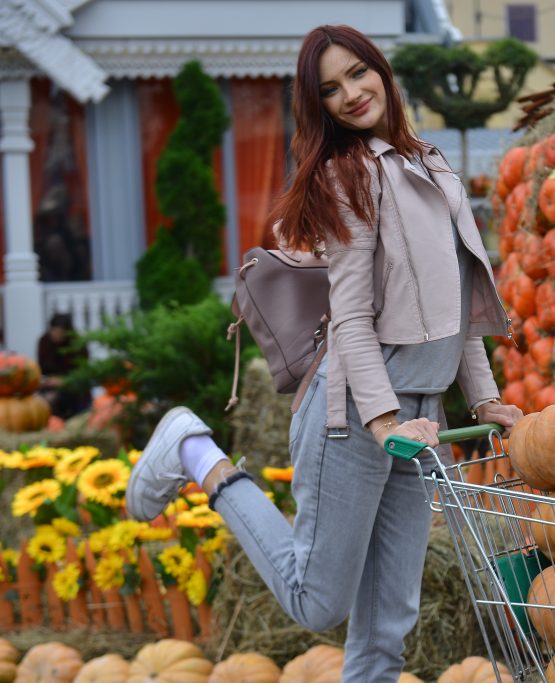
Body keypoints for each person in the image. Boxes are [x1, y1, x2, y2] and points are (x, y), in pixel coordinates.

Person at [125, 24, 522, 682]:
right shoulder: (348, 178)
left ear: (381, 70)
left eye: (358, 74)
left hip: (419, 416)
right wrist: (383, 421)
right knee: (318, 599)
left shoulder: (432, 165)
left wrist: (486, 398)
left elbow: (463, 305)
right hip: (357, 411)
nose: (351, 94)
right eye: (330, 89)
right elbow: (354, 320)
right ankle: (195, 449)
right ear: (321, 107)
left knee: (388, 620)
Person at [37, 312, 90, 419]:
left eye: (60, 332)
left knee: (62, 396)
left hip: (71, 386)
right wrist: (47, 380)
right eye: (54, 331)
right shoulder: (44, 342)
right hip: (49, 384)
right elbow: (40, 369)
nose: (56, 335)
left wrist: (65, 380)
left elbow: (82, 373)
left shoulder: (77, 344)